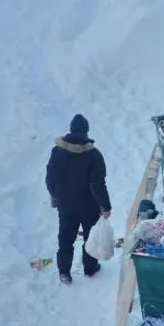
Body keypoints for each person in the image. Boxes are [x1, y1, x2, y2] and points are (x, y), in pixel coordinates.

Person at [45, 114, 112, 284]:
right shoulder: (94, 155)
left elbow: (50, 178)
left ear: (71, 129)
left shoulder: (57, 152)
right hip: (89, 206)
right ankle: (90, 268)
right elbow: (97, 184)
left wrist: (55, 196)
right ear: (86, 131)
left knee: (65, 238)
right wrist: (105, 206)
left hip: (65, 206)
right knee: (90, 238)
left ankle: (64, 272)